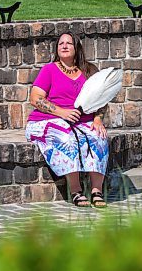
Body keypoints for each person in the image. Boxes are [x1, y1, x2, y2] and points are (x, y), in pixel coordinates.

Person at [25, 32, 109, 208]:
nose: (64, 46)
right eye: (61, 43)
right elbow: (35, 98)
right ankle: (76, 190)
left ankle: (96, 190)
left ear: (76, 47)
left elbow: (102, 99)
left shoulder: (89, 71)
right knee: (66, 136)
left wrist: (98, 119)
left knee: (98, 137)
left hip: (82, 121)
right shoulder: (49, 70)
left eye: (68, 43)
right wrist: (62, 112)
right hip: (48, 119)